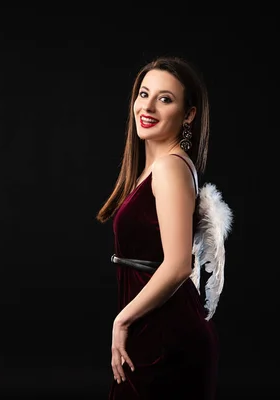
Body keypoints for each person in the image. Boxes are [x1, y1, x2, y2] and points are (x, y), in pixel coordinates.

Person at [96, 56, 233, 399]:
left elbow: (177, 265)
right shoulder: (156, 167)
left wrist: (121, 321)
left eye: (165, 99)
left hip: (166, 338)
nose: (148, 106)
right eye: (144, 94)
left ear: (189, 114)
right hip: (156, 331)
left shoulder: (171, 168)